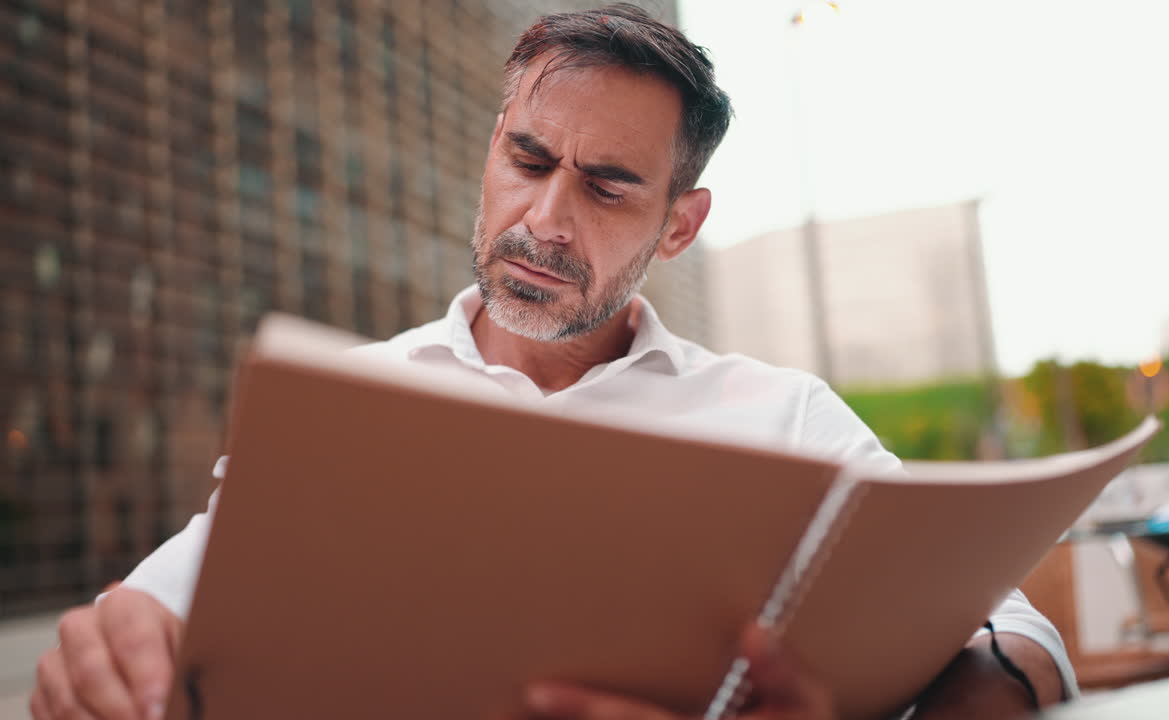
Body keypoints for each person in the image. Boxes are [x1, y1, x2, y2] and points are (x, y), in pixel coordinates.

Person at [31, 5, 1073, 720]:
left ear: (678, 224)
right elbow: (149, 616)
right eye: (526, 161)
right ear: (491, 150)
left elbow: (1021, 637)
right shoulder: (347, 407)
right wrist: (103, 656)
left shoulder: (786, 417)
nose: (543, 220)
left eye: (608, 186)